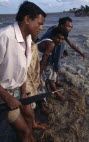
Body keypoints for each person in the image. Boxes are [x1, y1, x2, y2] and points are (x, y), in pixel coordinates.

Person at [0, 1, 46, 142]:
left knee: (29, 113)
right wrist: (8, 98)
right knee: (23, 131)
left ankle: (30, 137)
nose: (41, 27)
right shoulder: (4, 37)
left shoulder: (28, 39)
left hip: (18, 91)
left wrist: (24, 93)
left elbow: (23, 71)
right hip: (3, 96)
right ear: (27, 19)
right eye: (39, 23)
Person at [40, 17, 86, 87]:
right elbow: (57, 56)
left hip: (45, 48)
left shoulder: (57, 30)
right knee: (55, 64)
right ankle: (53, 82)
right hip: (45, 49)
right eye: (68, 26)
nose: (70, 29)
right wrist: (57, 67)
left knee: (63, 52)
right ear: (61, 25)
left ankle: (55, 80)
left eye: (71, 27)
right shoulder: (57, 34)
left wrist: (81, 53)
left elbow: (71, 44)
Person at [37, 27, 68, 101]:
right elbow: (44, 60)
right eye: (58, 38)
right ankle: (55, 95)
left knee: (45, 82)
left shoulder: (48, 41)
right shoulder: (51, 44)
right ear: (52, 36)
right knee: (41, 85)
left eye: (62, 39)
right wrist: (39, 75)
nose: (60, 41)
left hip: (35, 63)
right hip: (34, 64)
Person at [26, 35, 47, 129]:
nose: (40, 28)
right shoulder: (20, 45)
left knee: (31, 104)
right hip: (25, 82)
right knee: (28, 106)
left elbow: (36, 65)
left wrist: (38, 79)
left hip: (32, 80)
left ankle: (32, 124)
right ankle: (32, 125)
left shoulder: (32, 45)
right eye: (39, 24)